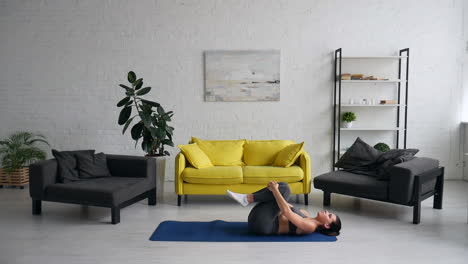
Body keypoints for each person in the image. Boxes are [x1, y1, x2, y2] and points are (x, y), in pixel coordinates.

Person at [227, 181, 341, 236]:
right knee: (283, 187)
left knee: (284, 189)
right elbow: (284, 205)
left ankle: (247, 198)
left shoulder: (310, 227)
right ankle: (247, 198)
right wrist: (274, 190)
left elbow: (286, 211)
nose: (327, 212)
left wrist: (275, 190)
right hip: (261, 218)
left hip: (263, 226)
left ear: (326, 225)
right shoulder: (305, 214)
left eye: (329, 215)